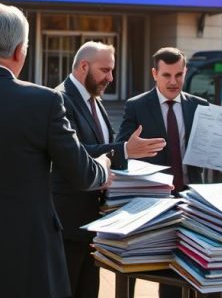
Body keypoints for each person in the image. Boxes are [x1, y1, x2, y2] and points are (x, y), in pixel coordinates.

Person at [0, 2, 111, 298]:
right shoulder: (44, 102)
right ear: (19, 51)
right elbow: (82, 173)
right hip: (24, 254)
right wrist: (103, 163)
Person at [117, 46, 222, 298]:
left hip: (192, 199)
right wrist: (132, 148)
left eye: (179, 75)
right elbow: (122, 151)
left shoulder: (200, 106)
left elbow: (213, 154)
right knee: (162, 270)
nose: (173, 82)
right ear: (155, 74)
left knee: (197, 266)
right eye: (167, 75)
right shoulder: (137, 106)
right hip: (152, 202)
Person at [53, 41, 164, 298]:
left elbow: (101, 146)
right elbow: (74, 154)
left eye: (112, 70)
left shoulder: (95, 101)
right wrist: (124, 150)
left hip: (93, 226)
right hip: (69, 225)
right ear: (83, 66)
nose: (111, 78)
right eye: (105, 70)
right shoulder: (58, 99)